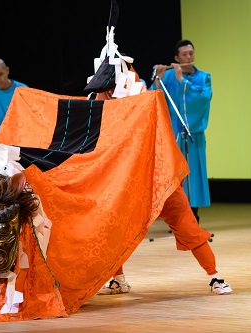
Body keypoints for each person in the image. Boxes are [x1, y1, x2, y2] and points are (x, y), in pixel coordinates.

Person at [86, 44, 231, 296]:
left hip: (158, 175)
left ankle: (214, 276)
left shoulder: (142, 95)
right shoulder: (103, 100)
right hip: (127, 180)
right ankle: (118, 279)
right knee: (110, 226)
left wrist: (175, 79)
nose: (107, 91)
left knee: (186, 223)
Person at [149, 40, 212, 224]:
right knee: (176, 177)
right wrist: (157, 80)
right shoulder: (167, 76)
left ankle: (193, 217)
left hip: (194, 136)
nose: (189, 57)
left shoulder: (204, 77)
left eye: (191, 53)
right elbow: (155, 99)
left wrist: (182, 81)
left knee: (194, 176)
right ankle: (177, 219)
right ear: (176, 58)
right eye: (184, 55)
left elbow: (203, 99)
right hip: (174, 136)